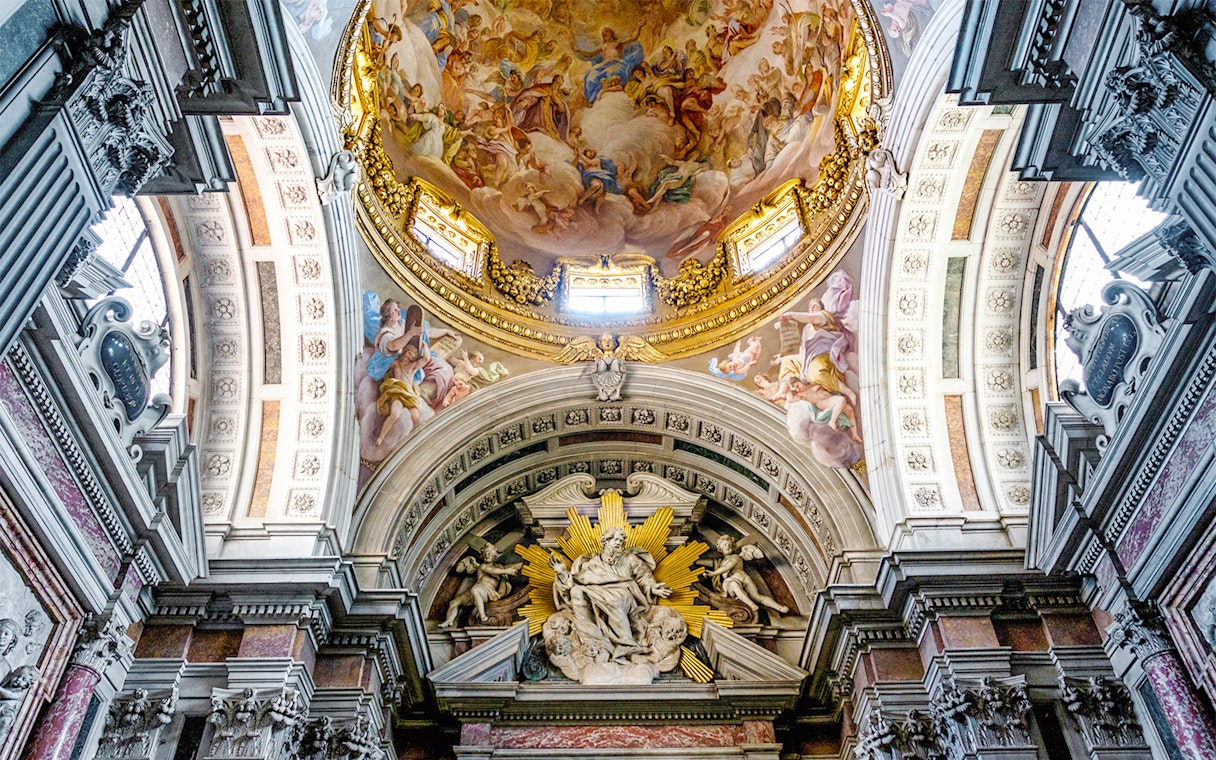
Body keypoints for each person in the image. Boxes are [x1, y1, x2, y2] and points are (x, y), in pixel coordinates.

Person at [554, 527, 671, 656]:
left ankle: (627, 643)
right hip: (598, 593)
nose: (618, 543)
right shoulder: (593, 562)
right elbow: (576, 581)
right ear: (605, 542)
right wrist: (563, 573)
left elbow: (644, 577)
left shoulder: (630, 559)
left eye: (621, 541)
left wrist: (653, 587)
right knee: (576, 591)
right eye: (616, 540)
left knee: (612, 599)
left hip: (624, 593)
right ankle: (593, 640)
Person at [438, 544, 521, 627]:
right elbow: (491, 570)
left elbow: (513, 566)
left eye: (489, 553)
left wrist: (524, 564)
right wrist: (506, 571)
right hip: (478, 588)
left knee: (475, 590)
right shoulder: (483, 566)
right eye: (485, 553)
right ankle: (449, 621)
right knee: (454, 602)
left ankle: (482, 615)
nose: (487, 555)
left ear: (495, 554)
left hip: (487, 590)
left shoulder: (500, 567)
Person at [703, 536, 789, 614]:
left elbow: (726, 567)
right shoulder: (719, 563)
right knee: (734, 585)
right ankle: (751, 605)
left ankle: (779, 607)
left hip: (745, 579)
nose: (727, 547)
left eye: (729, 545)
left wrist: (712, 574)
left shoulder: (735, 557)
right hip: (730, 582)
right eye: (725, 545)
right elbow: (713, 564)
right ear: (720, 548)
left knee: (756, 596)